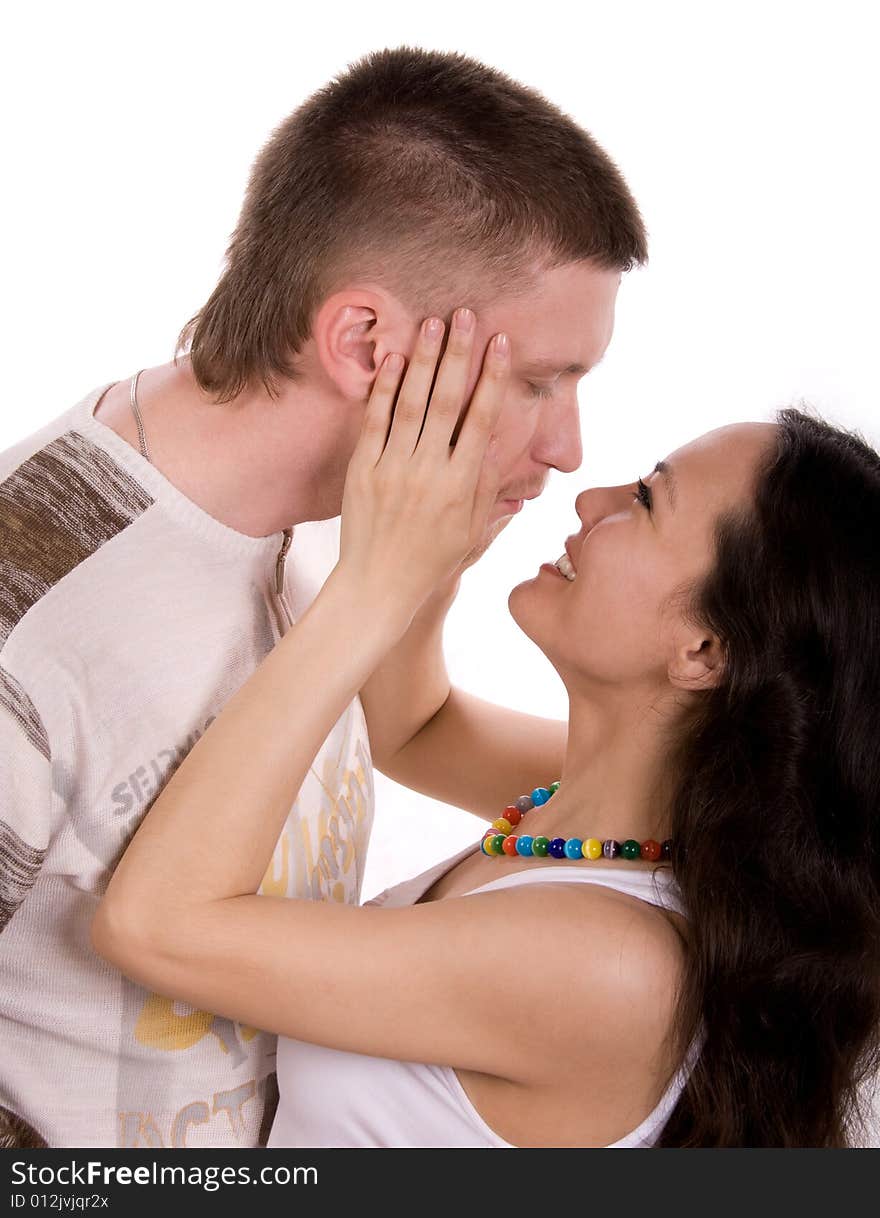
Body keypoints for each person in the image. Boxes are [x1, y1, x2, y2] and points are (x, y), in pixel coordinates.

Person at [0, 46, 646, 1147]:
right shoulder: (36, 617)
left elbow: (416, 725)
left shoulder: (342, 535)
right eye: (537, 381)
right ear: (365, 343)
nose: (568, 446)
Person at [94, 317, 880, 1148]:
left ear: (706, 649)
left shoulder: (607, 968)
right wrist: (447, 533)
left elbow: (154, 925)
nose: (592, 497)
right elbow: (417, 727)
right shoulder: (657, 811)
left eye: (647, 501)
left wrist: (371, 586)